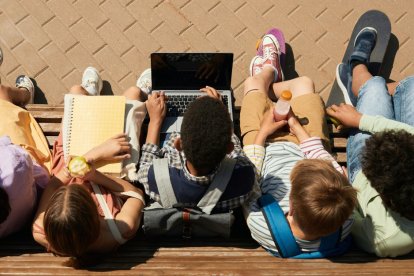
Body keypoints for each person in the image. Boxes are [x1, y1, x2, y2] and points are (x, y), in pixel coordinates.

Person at [241, 33, 357, 256]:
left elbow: (250, 183)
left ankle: (268, 72)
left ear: (291, 207)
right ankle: (267, 81)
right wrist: (295, 126)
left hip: (263, 148)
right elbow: (325, 162)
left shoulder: (263, 226)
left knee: (253, 83)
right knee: (305, 83)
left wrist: (263, 133)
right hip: (308, 142)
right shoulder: (343, 216)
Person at [32, 67, 146, 265]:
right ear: (95, 214)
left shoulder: (41, 231)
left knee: (76, 92)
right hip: (109, 175)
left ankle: (90, 95)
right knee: (133, 94)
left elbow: (54, 184)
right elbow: (136, 195)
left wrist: (91, 156)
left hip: (74, 165)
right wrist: (93, 173)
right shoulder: (121, 229)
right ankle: (133, 93)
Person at [327, 27, 414, 257]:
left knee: (374, 87)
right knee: (412, 85)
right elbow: (407, 133)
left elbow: (348, 216)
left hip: (358, 178)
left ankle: (357, 67)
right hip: (395, 163)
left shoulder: (384, 237)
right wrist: (359, 119)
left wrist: (345, 185)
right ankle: (374, 92)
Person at [136, 84, 255, 216]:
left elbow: (145, 165)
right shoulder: (245, 178)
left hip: (169, 190)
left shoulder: (155, 178)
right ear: (228, 148)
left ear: (178, 144)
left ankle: (146, 85)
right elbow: (236, 149)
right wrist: (220, 111)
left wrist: (155, 120)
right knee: (229, 91)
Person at [0, 75, 51, 238]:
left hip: (16, 220)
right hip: (29, 178)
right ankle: (24, 95)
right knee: (2, 94)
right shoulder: (12, 167)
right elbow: (22, 158)